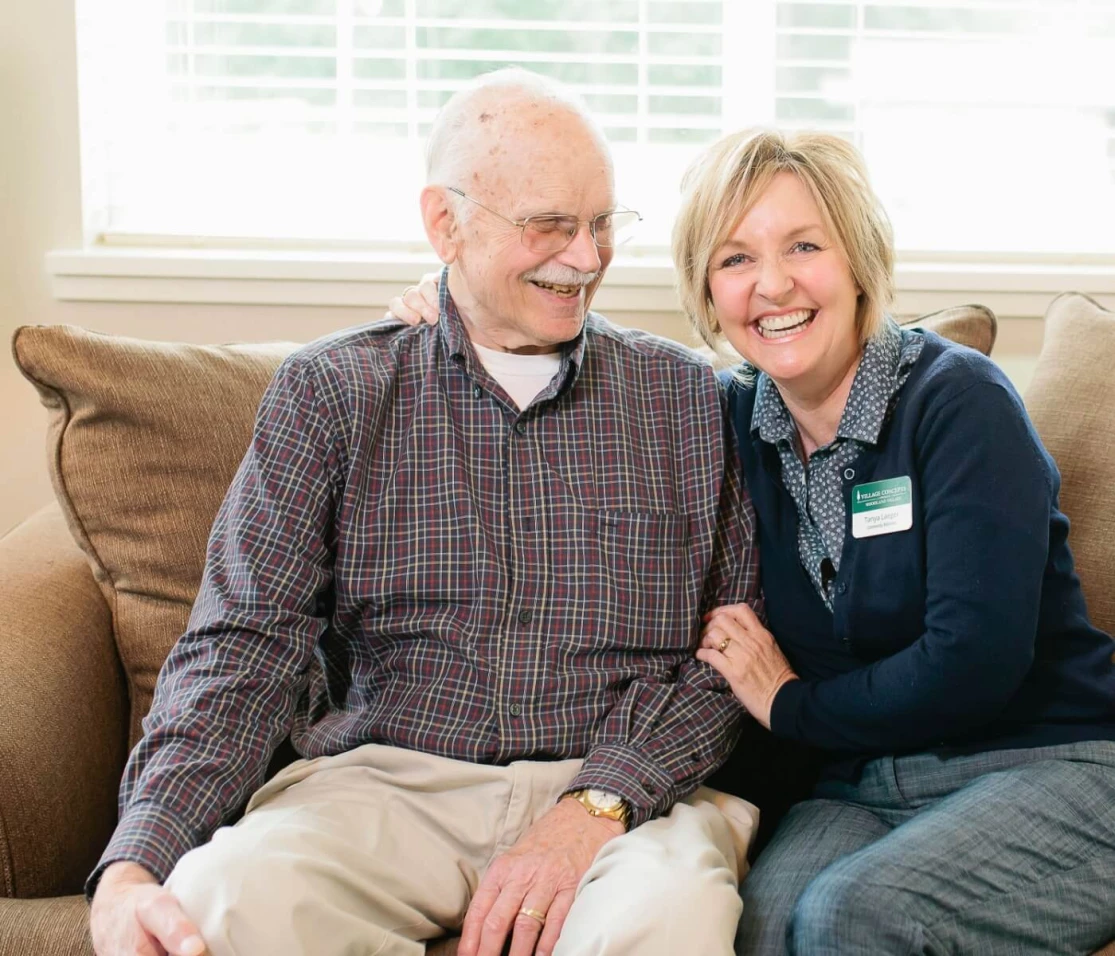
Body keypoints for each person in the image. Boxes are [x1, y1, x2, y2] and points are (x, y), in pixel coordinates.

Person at [87, 68, 764, 956]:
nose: (588, 258)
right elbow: (244, 641)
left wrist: (599, 801)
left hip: (620, 799)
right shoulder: (335, 391)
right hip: (381, 788)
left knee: (669, 923)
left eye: (602, 224)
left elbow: (727, 658)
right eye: (549, 225)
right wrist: (137, 860)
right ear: (445, 224)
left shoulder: (682, 398)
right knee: (219, 900)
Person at [670, 129, 1115, 954]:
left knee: (854, 915)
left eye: (804, 244)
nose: (772, 285)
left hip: (1052, 763)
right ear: (705, 287)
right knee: (758, 927)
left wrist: (789, 706)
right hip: (865, 781)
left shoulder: (957, 403)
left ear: (857, 256)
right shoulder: (732, 420)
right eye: (733, 259)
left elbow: (973, 661)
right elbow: (599, 377)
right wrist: (441, 304)